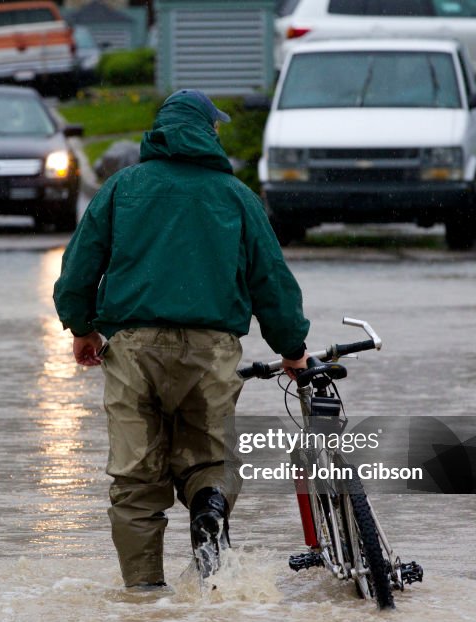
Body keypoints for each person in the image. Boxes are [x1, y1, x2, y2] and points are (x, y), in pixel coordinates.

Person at [52, 89, 311, 589]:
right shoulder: (235, 195)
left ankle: (145, 600)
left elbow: (78, 270)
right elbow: (271, 282)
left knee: (136, 480)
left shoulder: (121, 188)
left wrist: (82, 328)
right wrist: (291, 349)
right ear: (206, 132)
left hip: (132, 350)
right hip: (211, 351)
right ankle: (209, 507)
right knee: (210, 461)